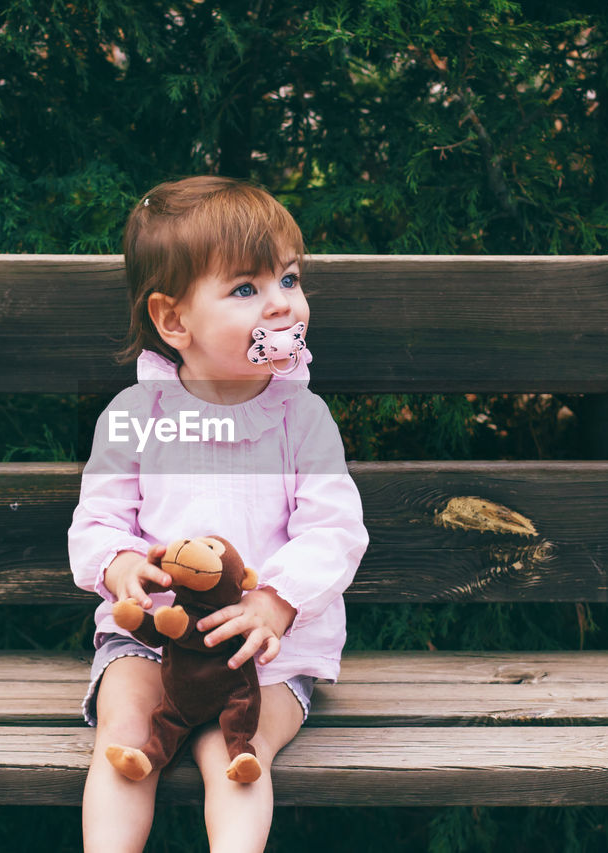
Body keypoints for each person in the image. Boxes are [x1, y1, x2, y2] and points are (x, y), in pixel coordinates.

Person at [69, 175, 368, 853]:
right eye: (246, 289)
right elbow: (98, 519)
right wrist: (118, 565)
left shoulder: (301, 417)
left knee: (235, 748)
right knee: (124, 732)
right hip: (155, 640)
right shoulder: (136, 416)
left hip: (268, 651)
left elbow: (334, 528)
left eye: (289, 279)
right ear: (175, 320)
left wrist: (276, 601)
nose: (282, 305)